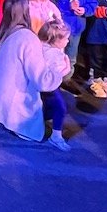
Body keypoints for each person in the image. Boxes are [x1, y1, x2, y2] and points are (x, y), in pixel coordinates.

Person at [0, 0, 69, 149]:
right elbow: (42, 80)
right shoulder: (28, 38)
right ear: (26, 12)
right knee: (52, 108)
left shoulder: (5, 32)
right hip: (12, 99)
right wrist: (58, 71)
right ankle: (15, 122)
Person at [37, 19, 74, 150]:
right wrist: (66, 67)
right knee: (61, 107)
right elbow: (57, 74)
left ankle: (42, 123)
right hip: (49, 87)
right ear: (56, 40)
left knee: (44, 107)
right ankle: (56, 136)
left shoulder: (41, 47)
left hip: (39, 86)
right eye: (66, 39)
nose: (68, 41)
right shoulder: (55, 55)